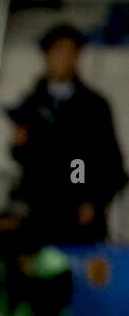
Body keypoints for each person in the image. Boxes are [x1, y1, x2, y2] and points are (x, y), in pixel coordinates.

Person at [8, 24, 127, 245]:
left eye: (70, 53)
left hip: (81, 214)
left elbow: (109, 162)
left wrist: (93, 200)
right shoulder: (31, 104)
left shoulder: (94, 107)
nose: (64, 59)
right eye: (58, 52)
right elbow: (24, 158)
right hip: (39, 212)